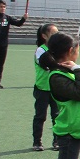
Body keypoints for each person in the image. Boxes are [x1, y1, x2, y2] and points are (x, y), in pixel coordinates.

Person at [0, 0, 27, 88]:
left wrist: (23, 19)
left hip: (3, 46)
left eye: (4, 7)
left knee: (0, 65)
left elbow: (18, 24)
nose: (3, 8)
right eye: (1, 6)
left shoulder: (7, 18)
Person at [32, 23, 60, 151]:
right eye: (53, 34)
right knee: (40, 116)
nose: (57, 36)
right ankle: (37, 142)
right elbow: (48, 64)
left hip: (55, 89)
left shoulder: (58, 51)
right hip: (42, 88)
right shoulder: (40, 50)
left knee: (57, 116)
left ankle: (57, 141)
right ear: (44, 36)